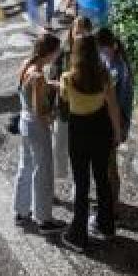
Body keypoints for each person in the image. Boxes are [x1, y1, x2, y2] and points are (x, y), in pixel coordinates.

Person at [59, 33, 123, 252]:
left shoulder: (68, 77)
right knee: (102, 178)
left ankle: (78, 235)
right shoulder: (104, 75)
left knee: (81, 182)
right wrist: (116, 132)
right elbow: (113, 107)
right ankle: (106, 225)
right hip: (101, 127)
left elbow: (65, 101)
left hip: (79, 130)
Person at [13, 33, 69, 235]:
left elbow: (28, 92)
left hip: (24, 121)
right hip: (36, 126)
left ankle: (21, 211)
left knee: (25, 166)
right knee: (43, 170)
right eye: (57, 52)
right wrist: (53, 114)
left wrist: (50, 84)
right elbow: (40, 110)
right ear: (50, 53)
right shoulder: (37, 75)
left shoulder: (26, 64)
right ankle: (44, 218)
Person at [97, 28, 133, 224]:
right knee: (106, 167)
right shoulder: (110, 63)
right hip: (110, 122)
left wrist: (118, 131)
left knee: (110, 169)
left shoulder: (120, 70)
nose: (100, 53)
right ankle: (110, 205)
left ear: (110, 47)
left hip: (114, 124)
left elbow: (118, 104)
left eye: (101, 49)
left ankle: (113, 209)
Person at [51, 17, 92, 183]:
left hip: (84, 113)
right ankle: (52, 184)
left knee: (81, 154)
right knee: (58, 149)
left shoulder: (93, 57)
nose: (80, 36)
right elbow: (53, 77)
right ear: (71, 33)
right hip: (64, 109)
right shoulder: (63, 53)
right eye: (77, 32)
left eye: (84, 33)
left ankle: (78, 189)